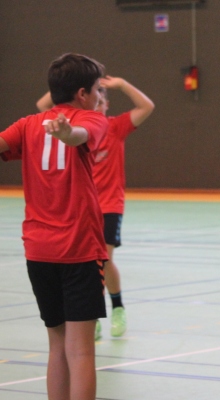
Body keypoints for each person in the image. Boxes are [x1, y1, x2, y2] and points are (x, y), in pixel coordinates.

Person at [0, 53, 109, 400]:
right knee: (80, 351)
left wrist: (67, 133)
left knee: (56, 345)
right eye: (96, 90)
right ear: (81, 93)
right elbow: (79, 135)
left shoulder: (28, 124)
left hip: (38, 250)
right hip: (77, 249)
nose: (98, 97)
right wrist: (67, 133)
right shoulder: (92, 117)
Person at [37, 75, 154, 340]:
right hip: (82, 205)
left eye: (102, 99)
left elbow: (147, 107)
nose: (98, 102)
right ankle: (92, 315)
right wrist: (66, 83)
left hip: (110, 204)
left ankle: (117, 307)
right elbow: (43, 106)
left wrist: (122, 84)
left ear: (106, 104)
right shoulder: (75, 131)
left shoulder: (115, 127)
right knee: (88, 262)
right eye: (94, 96)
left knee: (104, 258)